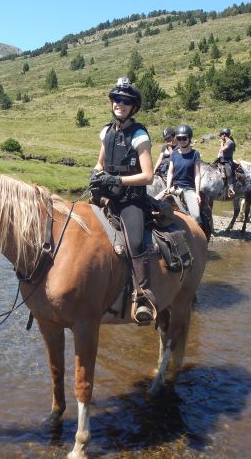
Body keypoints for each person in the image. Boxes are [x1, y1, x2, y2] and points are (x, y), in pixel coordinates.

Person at [89, 78, 156, 324]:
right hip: (106, 197)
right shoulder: (106, 132)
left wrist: (117, 180)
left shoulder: (139, 135)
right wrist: (96, 175)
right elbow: (100, 163)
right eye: (116, 99)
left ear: (133, 107)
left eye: (126, 101)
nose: (120, 104)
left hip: (131, 201)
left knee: (135, 242)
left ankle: (143, 297)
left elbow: (148, 176)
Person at [165, 124, 202, 224]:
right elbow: (170, 172)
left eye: (184, 138)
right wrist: (168, 187)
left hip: (188, 189)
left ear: (189, 138)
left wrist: (197, 193)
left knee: (196, 216)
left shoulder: (195, 154)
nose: (181, 141)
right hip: (175, 188)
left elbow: (197, 175)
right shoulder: (174, 154)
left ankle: (199, 237)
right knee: (153, 203)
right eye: (179, 138)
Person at [216, 128, 236, 198]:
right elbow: (220, 152)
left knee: (228, 173)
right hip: (221, 160)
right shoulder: (224, 143)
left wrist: (221, 144)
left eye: (221, 135)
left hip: (227, 161)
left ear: (224, 135)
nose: (220, 137)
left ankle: (231, 188)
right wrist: (218, 155)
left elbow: (223, 149)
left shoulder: (230, 142)